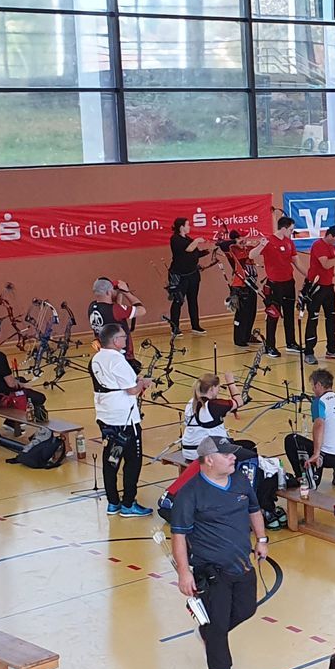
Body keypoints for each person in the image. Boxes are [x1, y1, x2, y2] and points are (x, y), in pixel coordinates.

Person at [169, 435, 268, 669]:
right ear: (209, 460)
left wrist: (262, 539)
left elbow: (254, 510)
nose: (233, 457)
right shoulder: (190, 494)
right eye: (226, 454)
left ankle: (209, 632)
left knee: (246, 609)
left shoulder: (240, 481)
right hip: (211, 569)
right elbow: (178, 536)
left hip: (242, 563)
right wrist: (184, 573)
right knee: (218, 622)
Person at [91, 321, 152, 513]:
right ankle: (128, 504)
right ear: (115, 340)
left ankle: (113, 502)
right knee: (133, 461)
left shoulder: (96, 358)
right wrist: (142, 383)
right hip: (125, 420)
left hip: (106, 417)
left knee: (112, 458)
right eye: (123, 337)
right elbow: (132, 390)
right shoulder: (117, 360)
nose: (126, 339)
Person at [286, 368, 335, 490]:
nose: (312, 389)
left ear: (318, 385)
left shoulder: (319, 401)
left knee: (291, 440)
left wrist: (316, 453)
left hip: (328, 456)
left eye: (313, 386)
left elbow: (319, 425)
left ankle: (304, 478)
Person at [0, 319, 48, 424]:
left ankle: (12, 421)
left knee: (21, 379)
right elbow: (11, 384)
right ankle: (13, 423)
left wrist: (20, 382)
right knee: (39, 398)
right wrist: (24, 386)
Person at [260, 214, 301, 358]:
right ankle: (270, 346)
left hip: (288, 283)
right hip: (274, 285)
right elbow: (252, 255)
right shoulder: (268, 241)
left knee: (289, 314)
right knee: (273, 315)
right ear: (283, 228)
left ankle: (291, 343)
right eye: (291, 230)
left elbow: (296, 262)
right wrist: (261, 245)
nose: (292, 232)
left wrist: (309, 275)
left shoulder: (289, 242)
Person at [301, 224, 335, 366]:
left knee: (331, 317)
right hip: (316, 287)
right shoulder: (318, 245)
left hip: (328, 287)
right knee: (313, 318)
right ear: (330, 235)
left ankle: (332, 349)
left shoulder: (333, 247)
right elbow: (326, 264)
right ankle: (309, 352)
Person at [167, 215, 212, 336]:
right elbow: (188, 250)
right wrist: (197, 241)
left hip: (192, 274)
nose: (189, 227)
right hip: (179, 276)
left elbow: (194, 253)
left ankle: (195, 326)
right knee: (178, 301)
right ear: (181, 227)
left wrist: (208, 250)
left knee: (193, 300)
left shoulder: (188, 239)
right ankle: (175, 328)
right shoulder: (175, 239)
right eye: (187, 225)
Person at [181, 371, 239, 460]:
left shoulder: (191, 402)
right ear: (212, 389)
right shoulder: (212, 405)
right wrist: (230, 382)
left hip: (188, 451)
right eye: (218, 387)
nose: (219, 390)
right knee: (249, 450)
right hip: (204, 453)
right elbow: (239, 402)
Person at [222, 230, 261, 347]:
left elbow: (259, 248)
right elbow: (222, 244)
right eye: (240, 238)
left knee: (251, 313)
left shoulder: (248, 248)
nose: (244, 240)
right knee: (241, 314)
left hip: (251, 286)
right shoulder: (232, 249)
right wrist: (236, 241)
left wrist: (260, 242)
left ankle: (247, 336)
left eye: (245, 237)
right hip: (240, 286)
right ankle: (239, 339)